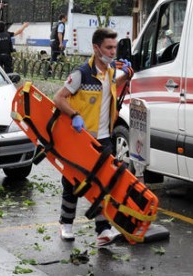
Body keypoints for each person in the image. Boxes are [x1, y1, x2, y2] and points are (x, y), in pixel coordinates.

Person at [53, 28, 134, 247]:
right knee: (72, 182)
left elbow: (112, 87)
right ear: (96, 48)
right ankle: (66, 224)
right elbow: (59, 98)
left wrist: (126, 73)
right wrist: (75, 115)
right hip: (82, 138)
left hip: (104, 138)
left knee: (103, 183)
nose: (112, 51)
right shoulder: (82, 73)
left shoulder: (109, 73)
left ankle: (103, 231)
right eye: (109, 47)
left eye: (115, 47)